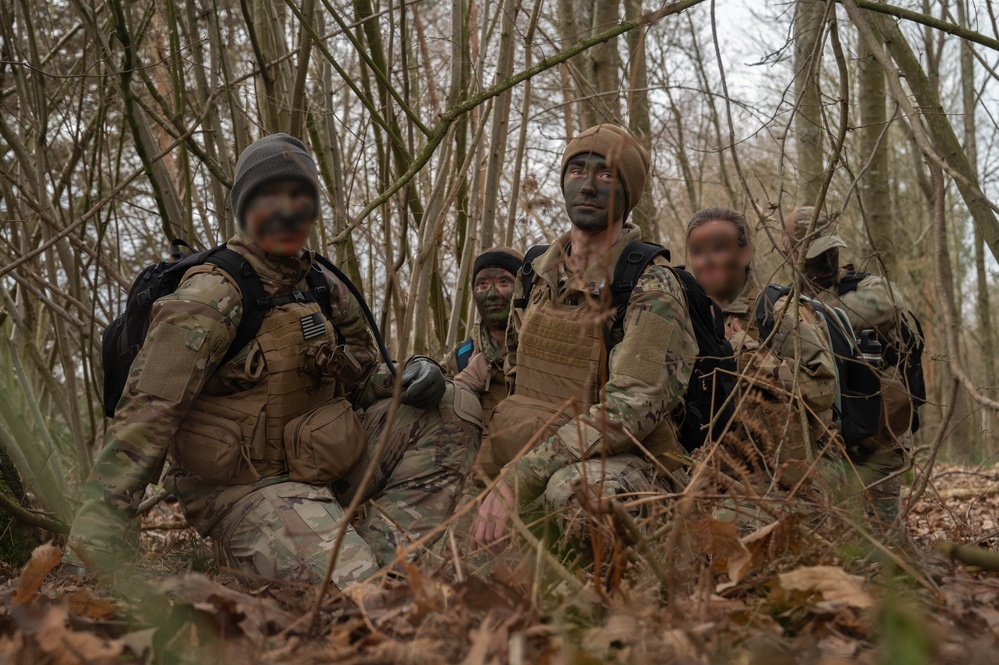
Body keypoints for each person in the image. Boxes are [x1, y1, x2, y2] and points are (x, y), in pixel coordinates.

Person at [68, 133, 482, 586]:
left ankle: (391, 566)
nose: (287, 212)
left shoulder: (321, 284)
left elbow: (362, 378)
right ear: (245, 209)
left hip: (323, 464)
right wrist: (91, 547)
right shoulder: (210, 297)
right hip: (242, 491)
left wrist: (409, 375)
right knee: (355, 590)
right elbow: (144, 419)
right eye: (270, 198)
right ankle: (346, 573)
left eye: (300, 198)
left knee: (454, 405)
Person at [469, 124, 698, 553]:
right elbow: (513, 373)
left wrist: (521, 475)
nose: (588, 186)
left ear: (628, 194)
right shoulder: (535, 273)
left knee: (576, 496)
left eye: (606, 174)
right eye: (577, 171)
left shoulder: (650, 284)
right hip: (534, 447)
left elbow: (633, 407)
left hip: (623, 463)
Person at [685, 207, 840, 497]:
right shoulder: (688, 316)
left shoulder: (776, 312)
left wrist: (747, 353)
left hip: (793, 472)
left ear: (745, 254)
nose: (706, 260)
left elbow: (822, 389)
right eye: (698, 252)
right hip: (717, 468)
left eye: (718, 248)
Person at [783, 207, 916, 521]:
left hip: (879, 441)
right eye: (816, 256)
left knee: (882, 533)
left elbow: (890, 302)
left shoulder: (865, 288)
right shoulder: (785, 305)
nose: (827, 261)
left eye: (831, 251)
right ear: (792, 256)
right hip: (825, 444)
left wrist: (818, 313)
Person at [443, 247, 524, 477]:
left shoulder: (542, 350)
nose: (492, 293)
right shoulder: (461, 357)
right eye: (482, 284)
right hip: (473, 479)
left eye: (504, 282)